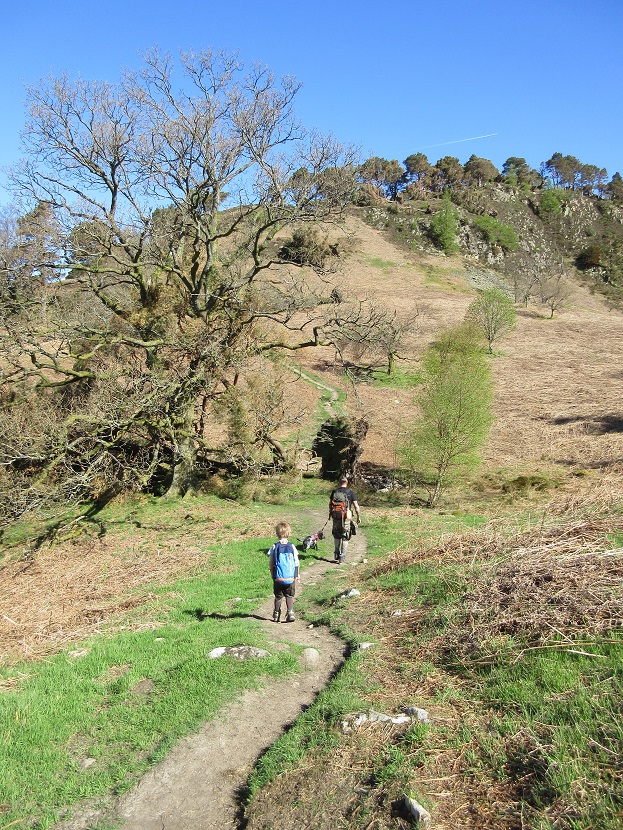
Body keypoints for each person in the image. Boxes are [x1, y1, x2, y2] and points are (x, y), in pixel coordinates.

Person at [267, 522, 300, 622]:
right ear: (289, 533)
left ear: (277, 534)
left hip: (278, 577)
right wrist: (297, 574)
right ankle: (290, 613)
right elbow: (296, 562)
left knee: (278, 596)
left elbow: (271, 562)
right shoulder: (292, 546)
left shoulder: (274, 546)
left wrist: (272, 573)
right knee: (289, 595)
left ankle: (276, 614)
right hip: (290, 577)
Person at [329, 475, 361, 563]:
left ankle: (336, 552)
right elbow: (356, 506)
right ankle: (342, 556)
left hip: (336, 517)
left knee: (336, 535)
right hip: (346, 517)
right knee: (345, 536)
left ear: (339, 482)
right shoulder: (350, 492)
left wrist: (330, 515)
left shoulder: (334, 491)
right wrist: (358, 516)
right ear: (347, 482)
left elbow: (330, 505)